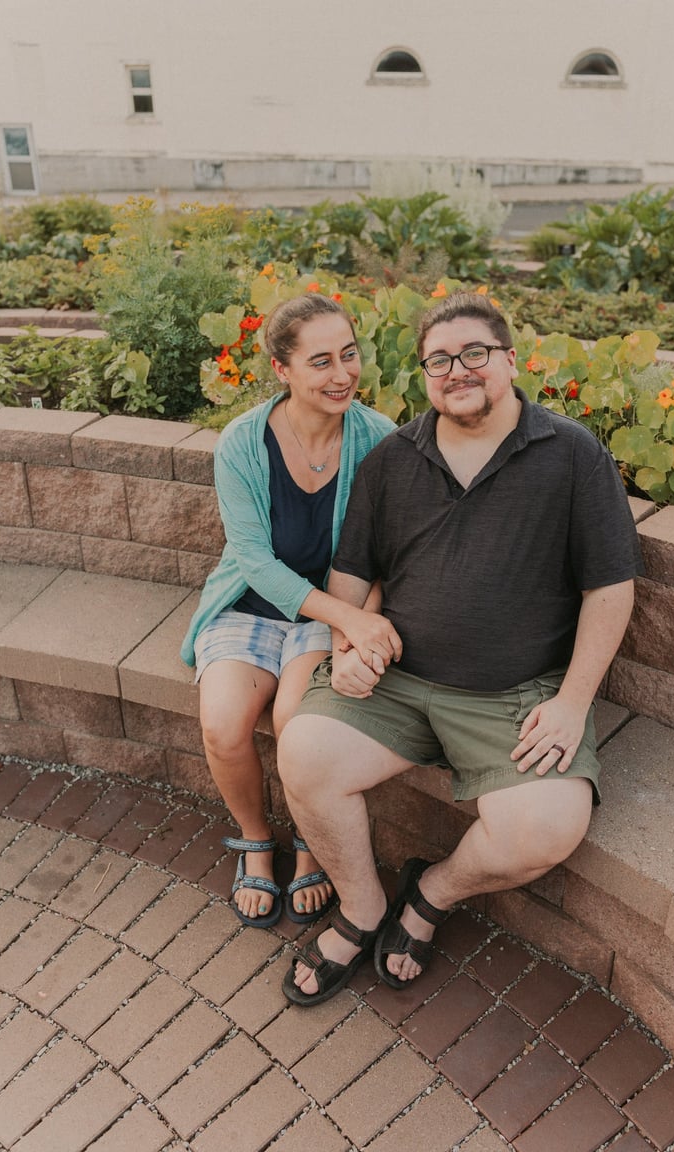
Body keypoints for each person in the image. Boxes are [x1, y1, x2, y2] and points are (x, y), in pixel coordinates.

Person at [277, 291, 643, 1003]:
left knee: (544, 828)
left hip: (518, 694)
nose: (458, 370)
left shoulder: (571, 455)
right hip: (399, 682)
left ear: (509, 359)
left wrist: (572, 704)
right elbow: (351, 577)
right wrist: (347, 645)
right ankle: (362, 908)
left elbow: (610, 590)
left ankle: (430, 892)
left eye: (475, 353)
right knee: (303, 751)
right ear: (423, 375)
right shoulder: (391, 460)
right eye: (439, 360)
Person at [180, 294, 399, 929]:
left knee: (294, 727)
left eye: (350, 355)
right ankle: (255, 839)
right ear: (282, 369)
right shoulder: (243, 442)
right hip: (247, 610)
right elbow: (253, 562)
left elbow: (386, 553)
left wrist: (352, 621)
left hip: (329, 616)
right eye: (321, 361)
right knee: (223, 726)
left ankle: (312, 843)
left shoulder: (378, 440)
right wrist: (353, 621)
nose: (342, 375)